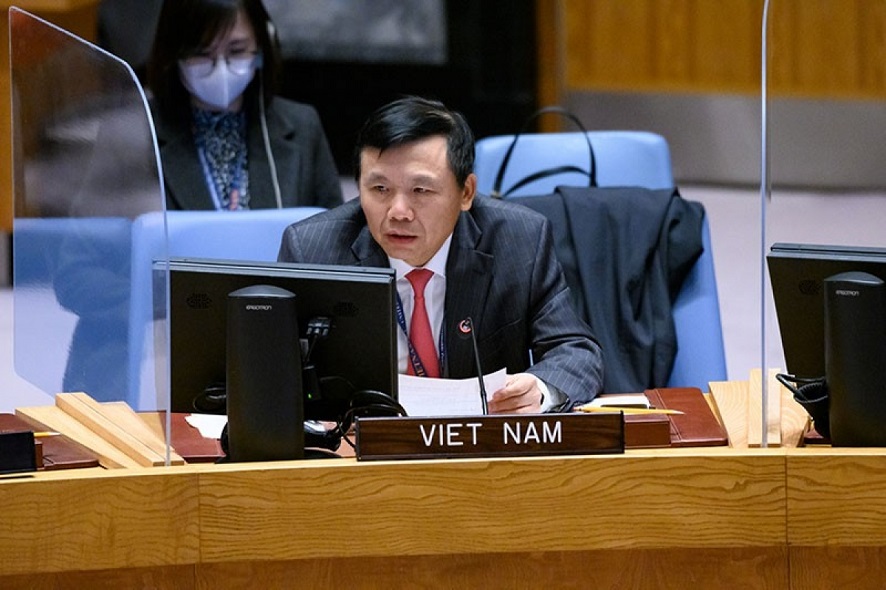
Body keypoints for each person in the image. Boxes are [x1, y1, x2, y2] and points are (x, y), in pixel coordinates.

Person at [278, 96, 603, 413]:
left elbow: (575, 350)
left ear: (466, 193)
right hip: (363, 440)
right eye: (379, 189)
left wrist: (540, 391)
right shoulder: (313, 251)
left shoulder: (519, 240)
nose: (398, 211)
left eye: (420, 190)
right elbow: (273, 367)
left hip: (479, 442)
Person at [146, 0, 343, 211]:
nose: (221, 68)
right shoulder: (140, 133)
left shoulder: (303, 126)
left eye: (237, 50)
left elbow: (337, 227)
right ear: (171, 54)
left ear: (263, 46)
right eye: (202, 53)